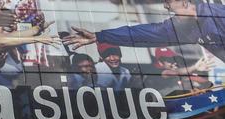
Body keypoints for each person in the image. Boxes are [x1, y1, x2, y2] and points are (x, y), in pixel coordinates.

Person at [63, 0, 225, 64]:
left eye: (168, 1)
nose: (165, 6)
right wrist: (99, 36)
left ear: (184, 2)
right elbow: (142, 33)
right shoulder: (184, 26)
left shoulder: (218, 14)